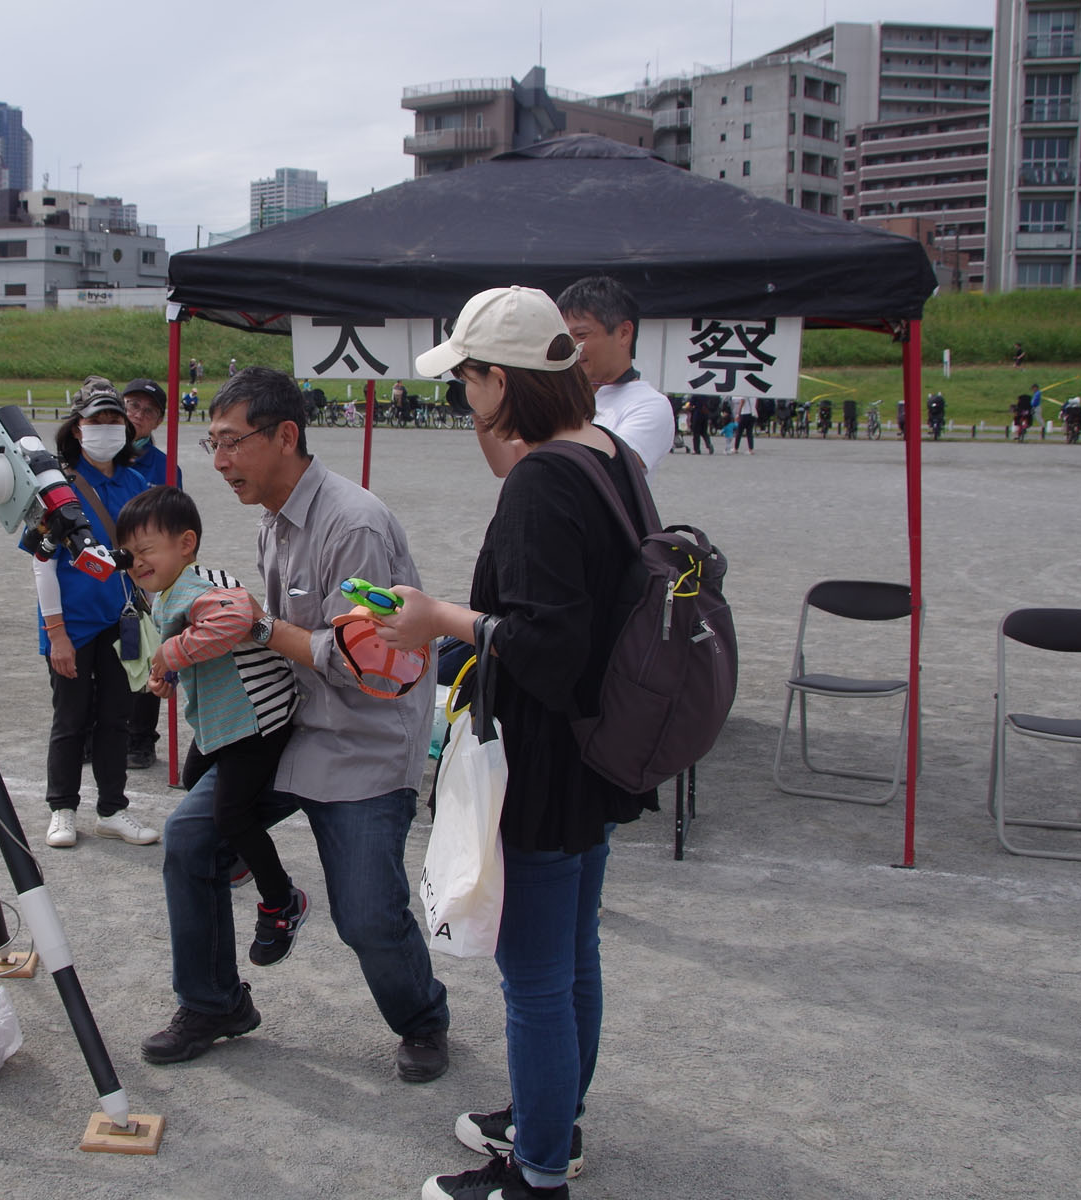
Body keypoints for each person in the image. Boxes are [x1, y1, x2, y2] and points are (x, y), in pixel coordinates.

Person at [380, 286, 656, 1200]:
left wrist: (437, 619)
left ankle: (538, 1174)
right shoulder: (608, 452)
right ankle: (552, 1126)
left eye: (467, 378)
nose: (463, 395)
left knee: (534, 973)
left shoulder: (542, 478)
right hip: (600, 749)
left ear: (501, 381)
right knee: (573, 952)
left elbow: (543, 642)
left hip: (543, 757)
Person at [140, 366, 450, 1082]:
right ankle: (214, 1002)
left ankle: (423, 1019)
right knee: (190, 841)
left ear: (286, 436)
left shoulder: (355, 523)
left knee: (367, 916)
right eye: (211, 443)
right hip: (289, 727)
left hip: (362, 741)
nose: (218, 463)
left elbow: (360, 664)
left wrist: (255, 624)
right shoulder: (273, 520)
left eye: (231, 443)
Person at [114, 485, 305, 965]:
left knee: (229, 815)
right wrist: (169, 673)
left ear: (185, 544)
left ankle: (282, 901)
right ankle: (237, 857)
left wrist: (169, 653)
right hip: (224, 721)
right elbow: (199, 644)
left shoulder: (199, 587)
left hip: (258, 718)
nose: (137, 563)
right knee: (196, 783)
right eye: (129, 555)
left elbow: (238, 615)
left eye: (146, 551)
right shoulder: (166, 592)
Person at [28, 376, 159, 850]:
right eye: (95, 421)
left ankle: (112, 809)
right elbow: (42, 561)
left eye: (114, 420)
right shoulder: (54, 487)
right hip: (72, 625)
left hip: (119, 621)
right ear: (77, 430)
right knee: (71, 719)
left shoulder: (137, 483)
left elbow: (147, 553)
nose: (106, 428)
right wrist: (57, 635)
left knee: (116, 720)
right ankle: (62, 809)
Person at [119, 378, 183, 771]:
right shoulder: (98, 460)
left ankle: (140, 738)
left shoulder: (164, 467)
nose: (136, 415)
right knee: (100, 660)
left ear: (157, 420)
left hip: (144, 580)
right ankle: (102, 734)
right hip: (102, 578)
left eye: (147, 410)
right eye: (131, 405)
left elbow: (178, 525)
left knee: (143, 655)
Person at [554, 276, 676, 481]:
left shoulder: (650, 404)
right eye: (565, 337)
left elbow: (606, 465)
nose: (571, 347)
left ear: (624, 334)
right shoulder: (564, 396)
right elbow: (505, 461)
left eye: (581, 335)